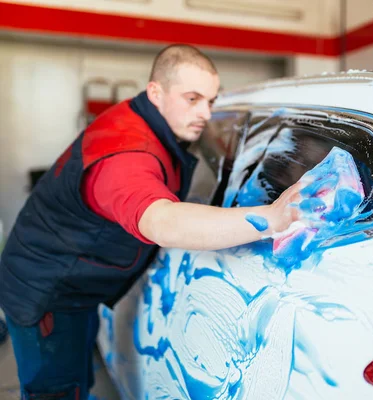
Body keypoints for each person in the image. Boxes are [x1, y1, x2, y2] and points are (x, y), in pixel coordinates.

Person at [0, 44, 301, 399]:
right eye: (192, 99)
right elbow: (164, 223)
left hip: (73, 283)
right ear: (155, 92)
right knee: (55, 390)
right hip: (46, 289)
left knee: (76, 377)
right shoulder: (128, 151)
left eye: (210, 100)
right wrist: (272, 217)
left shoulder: (147, 121)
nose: (205, 113)